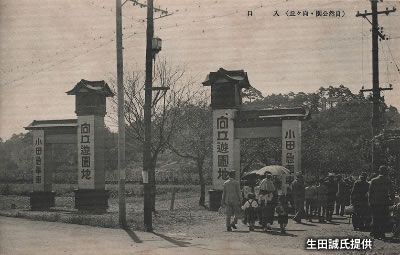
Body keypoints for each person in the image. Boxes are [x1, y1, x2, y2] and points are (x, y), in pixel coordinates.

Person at [368, 165, 395, 239]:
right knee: (383, 218)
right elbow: (392, 192)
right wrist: (391, 200)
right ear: (386, 171)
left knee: (375, 218)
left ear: (379, 171)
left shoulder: (373, 180)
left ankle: (375, 233)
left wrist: (369, 201)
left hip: (375, 202)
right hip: (384, 202)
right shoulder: (388, 180)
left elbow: (370, 192)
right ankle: (382, 233)